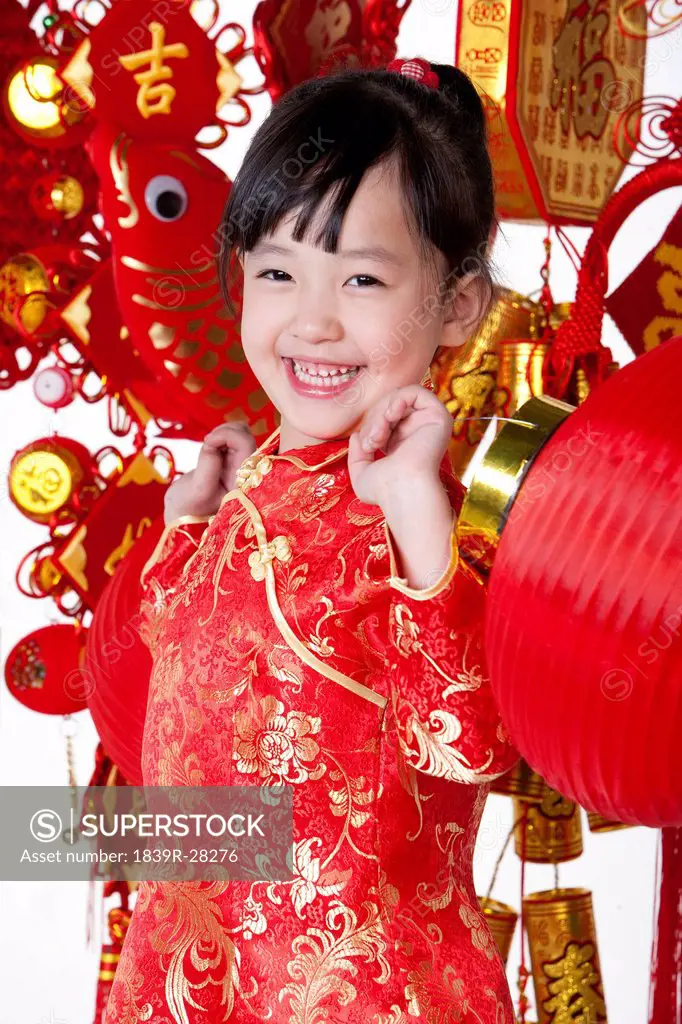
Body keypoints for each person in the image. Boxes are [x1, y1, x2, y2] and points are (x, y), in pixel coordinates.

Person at [104, 56, 519, 1024]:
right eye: (279, 271)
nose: (312, 320)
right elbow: (191, 689)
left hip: (359, 993)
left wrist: (417, 508)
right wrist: (186, 527)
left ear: (455, 303)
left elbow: (470, 742)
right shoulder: (252, 487)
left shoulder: (422, 518)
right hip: (193, 980)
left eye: (364, 277)